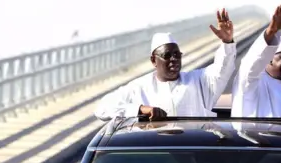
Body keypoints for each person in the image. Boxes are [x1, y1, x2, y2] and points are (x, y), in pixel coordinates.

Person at [94, 8, 236, 121]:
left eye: (176, 55)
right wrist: (141, 109)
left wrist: (227, 42)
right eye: (167, 56)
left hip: (194, 152)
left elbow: (223, 68)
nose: (173, 59)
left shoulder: (198, 81)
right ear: (153, 61)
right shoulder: (139, 88)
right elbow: (102, 108)